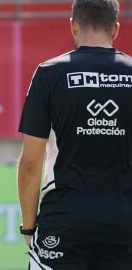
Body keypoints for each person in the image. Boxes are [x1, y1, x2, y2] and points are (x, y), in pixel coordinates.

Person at [17, 0, 132, 269]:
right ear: (116, 29)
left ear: (73, 26)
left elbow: (31, 163)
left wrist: (28, 227)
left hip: (63, 222)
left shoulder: (49, 73)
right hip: (124, 223)